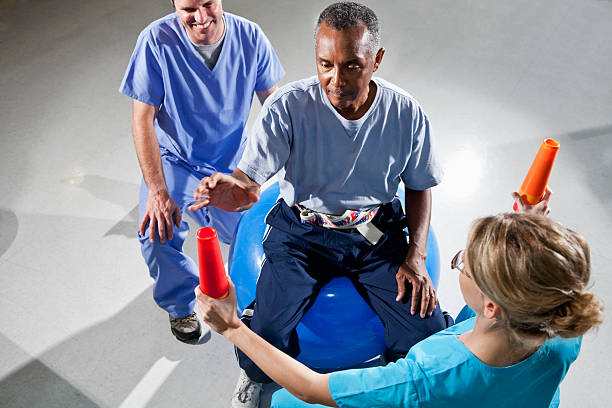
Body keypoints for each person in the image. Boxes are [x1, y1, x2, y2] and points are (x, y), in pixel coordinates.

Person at [190, 2, 452, 406]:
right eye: (325, 64)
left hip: (375, 233)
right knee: (266, 333)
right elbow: (248, 182)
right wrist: (237, 190)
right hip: (301, 234)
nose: (336, 80)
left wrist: (415, 255)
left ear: (376, 60)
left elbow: (419, 185)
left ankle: (397, 380)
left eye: (351, 66)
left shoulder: (405, 113)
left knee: (426, 329)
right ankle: (258, 378)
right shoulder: (289, 107)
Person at [194, 192, 604, 407]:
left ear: (492, 306)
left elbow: (314, 389)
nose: (458, 264)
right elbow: (548, 282)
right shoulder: (562, 324)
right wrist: (531, 230)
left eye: (465, 264)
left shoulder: (426, 376)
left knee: (284, 403)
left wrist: (232, 327)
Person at [118, 0, 285, 344]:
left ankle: (256, 304)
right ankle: (180, 305)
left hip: (234, 161)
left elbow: (275, 107)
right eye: (188, 9)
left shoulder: (250, 37)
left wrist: (284, 167)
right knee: (156, 230)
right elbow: (142, 119)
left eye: (208, 4)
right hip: (176, 159)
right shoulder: (155, 41)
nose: (200, 17)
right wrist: (158, 192)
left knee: (264, 233)